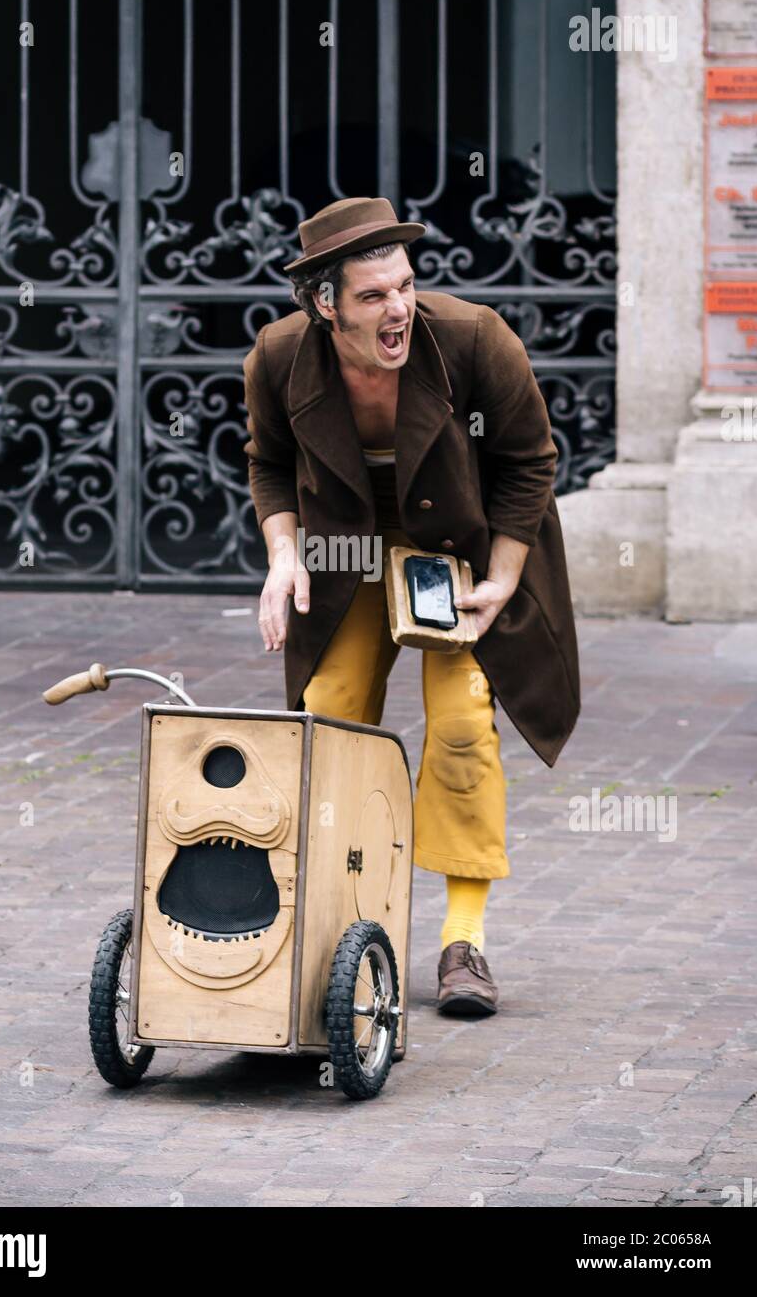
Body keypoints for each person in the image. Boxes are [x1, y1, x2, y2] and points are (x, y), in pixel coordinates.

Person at [242, 196, 581, 1015]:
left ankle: (463, 945)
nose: (397, 308)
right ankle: (337, 925)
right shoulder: (281, 357)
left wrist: (502, 579)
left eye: (404, 285)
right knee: (331, 718)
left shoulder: (473, 339)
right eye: (371, 296)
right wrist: (283, 558)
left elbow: (529, 462)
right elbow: (270, 463)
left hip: (459, 549)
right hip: (347, 552)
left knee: (463, 720)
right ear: (325, 305)